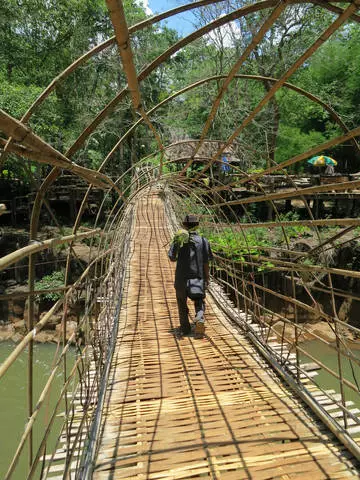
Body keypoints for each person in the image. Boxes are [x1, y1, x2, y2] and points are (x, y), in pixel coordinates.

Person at [168, 214, 213, 336]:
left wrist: (177, 245)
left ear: (184, 225)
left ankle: (185, 329)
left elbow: (172, 257)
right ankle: (199, 318)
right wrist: (207, 277)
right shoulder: (203, 241)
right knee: (199, 300)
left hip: (181, 279)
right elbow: (206, 262)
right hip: (197, 278)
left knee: (181, 302)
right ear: (197, 226)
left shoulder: (179, 239)